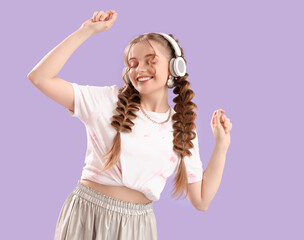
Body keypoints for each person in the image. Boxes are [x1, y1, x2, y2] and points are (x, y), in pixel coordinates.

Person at [27, 9, 232, 240]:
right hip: (88, 217)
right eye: (132, 64)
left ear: (175, 68)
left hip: (138, 228)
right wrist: (86, 31)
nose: (139, 69)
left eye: (150, 61)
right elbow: (40, 77)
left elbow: (202, 200)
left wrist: (221, 147)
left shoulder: (182, 126)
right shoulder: (106, 102)